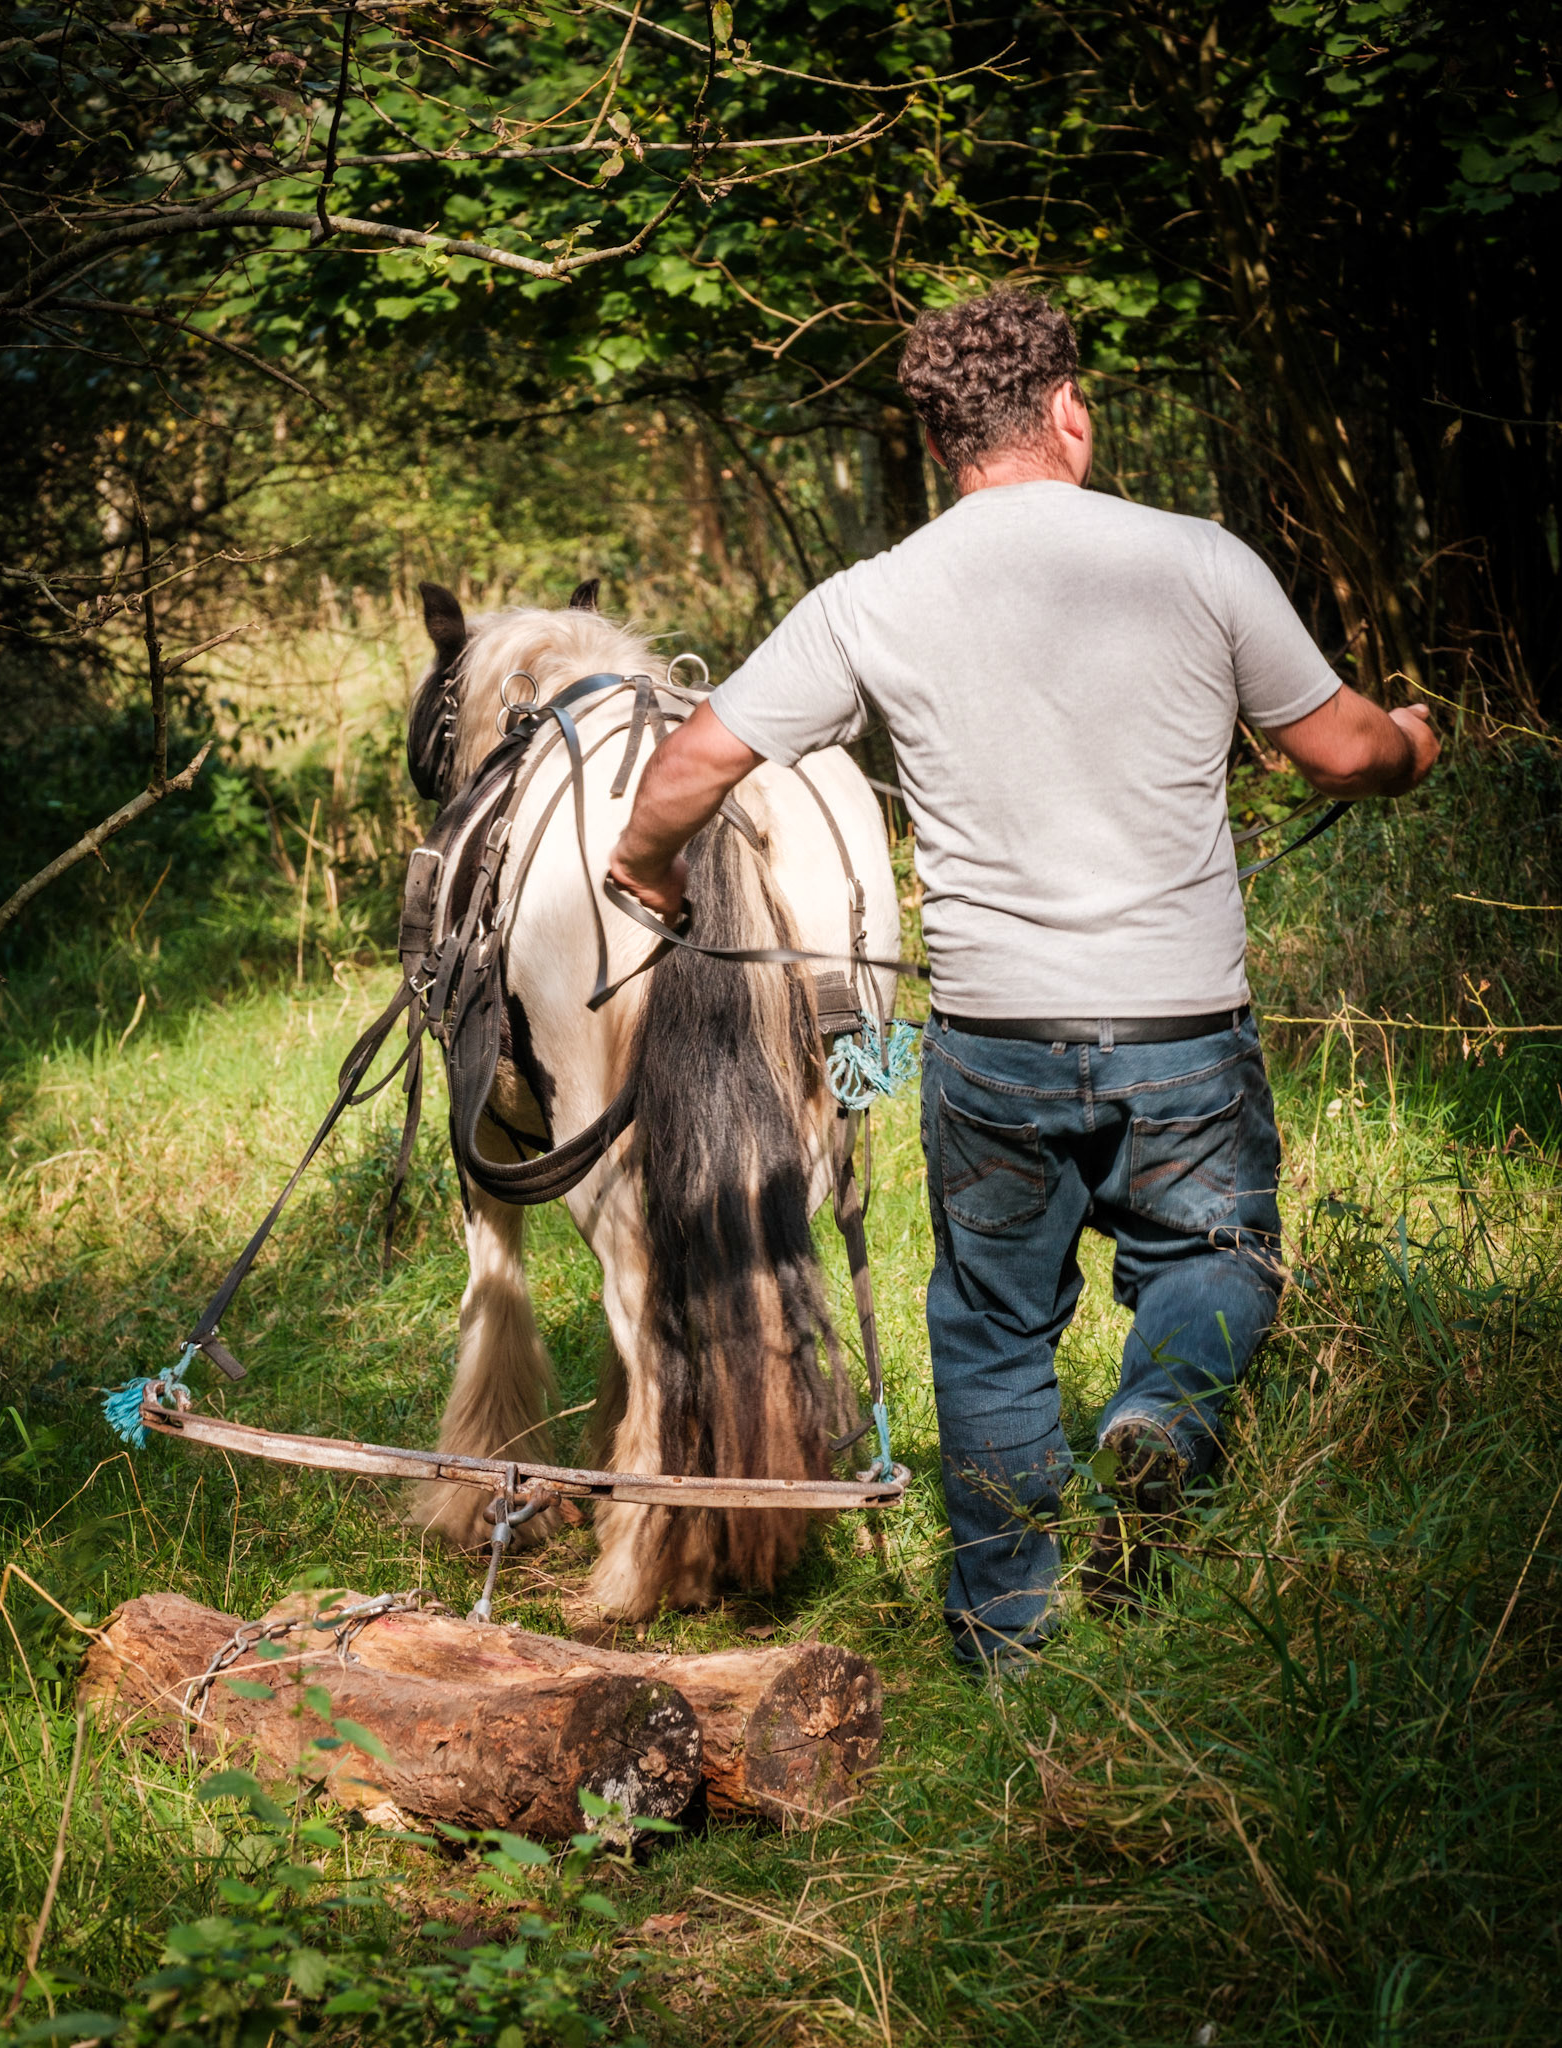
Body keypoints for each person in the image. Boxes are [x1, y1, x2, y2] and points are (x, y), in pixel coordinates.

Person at [607, 289, 1438, 1680]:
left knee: (992, 1328)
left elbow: (691, 766)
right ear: (1065, 413)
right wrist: (1411, 742)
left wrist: (648, 869)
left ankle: (1008, 1639)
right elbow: (1344, 753)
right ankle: (1164, 1421)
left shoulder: (867, 598)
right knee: (1217, 1257)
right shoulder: (1197, 560)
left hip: (994, 1043)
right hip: (1181, 1031)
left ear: (941, 445)